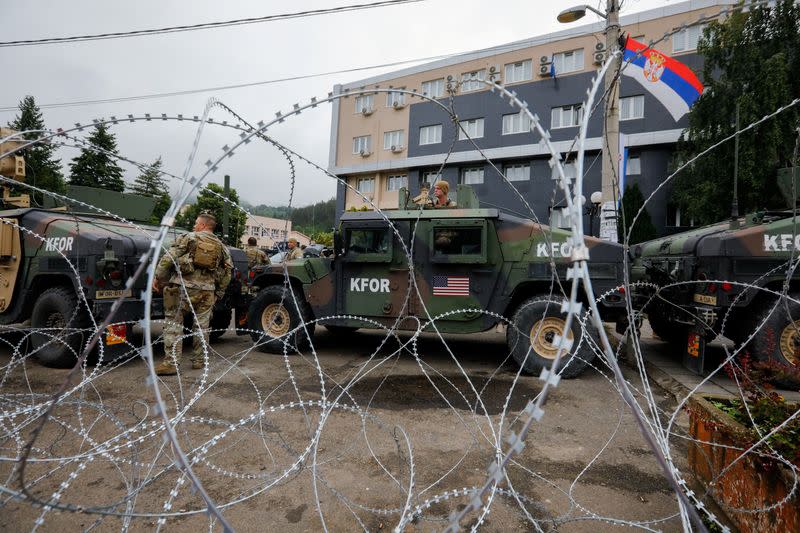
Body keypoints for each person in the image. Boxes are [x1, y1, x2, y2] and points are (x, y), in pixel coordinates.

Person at [153, 212, 233, 375]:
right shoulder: (221, 246)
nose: (194, 226)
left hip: (182, 288)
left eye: (196, 223)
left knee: (174, 323)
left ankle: (171, 363)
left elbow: (168, 258)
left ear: (203, 225)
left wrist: (158, 278)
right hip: (207, 291)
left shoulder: (188, 237)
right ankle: (199, 360)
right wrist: (219, 292)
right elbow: (227, 272)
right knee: (202, 326)